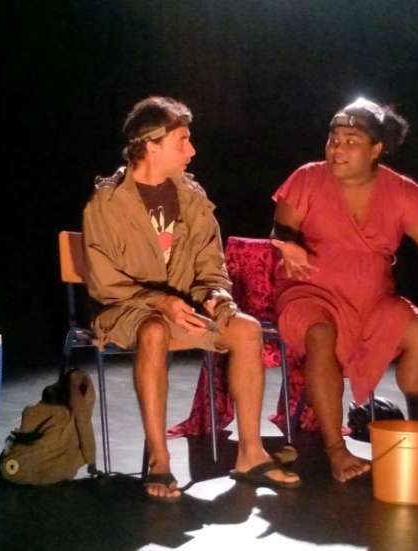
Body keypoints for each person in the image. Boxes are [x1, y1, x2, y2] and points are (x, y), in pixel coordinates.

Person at [82, 96, 300, 502]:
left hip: (183, 310)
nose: (192, 150)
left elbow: (210, 267)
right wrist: (160, 301)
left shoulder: (192, 197)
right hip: (126, 311)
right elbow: (103, 283)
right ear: (151, 145)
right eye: (182, 140)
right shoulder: (106, 203)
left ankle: (251, 454)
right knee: (152, 332)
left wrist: (216, 297)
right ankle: (159, 459)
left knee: (247, 330)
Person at [271, 97, 418, 482]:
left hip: (372, 298)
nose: (337, 148)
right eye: (334, 139)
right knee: (320, 332)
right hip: (309, 289)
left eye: (351, 141)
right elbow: (281, 229)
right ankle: (335, 450)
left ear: (376, 149)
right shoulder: (306, 178)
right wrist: (288, 245)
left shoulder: (402, 191)